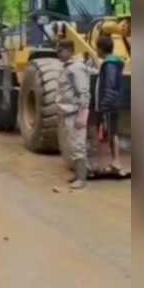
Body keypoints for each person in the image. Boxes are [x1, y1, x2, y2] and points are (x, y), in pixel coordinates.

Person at [56, 40, 91, 189]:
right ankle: (77, 174)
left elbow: (84, 93)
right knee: (71, 145)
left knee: (78, 145)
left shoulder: (76, 68)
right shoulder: (67, 68)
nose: (58, 53)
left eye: (60, 50)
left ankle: (82, 179)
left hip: (75, 112)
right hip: (67, 112)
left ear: (69, 51)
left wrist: (82, 115)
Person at [95, 35, 125, 174]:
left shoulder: (109, 65)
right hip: (114, 103)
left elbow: (110, 85)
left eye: (97, 48)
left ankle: (115, 162)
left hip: (109, 104)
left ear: (101, 48)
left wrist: (105, 103)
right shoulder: (114, 63)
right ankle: (114, 162)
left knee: (110, 134)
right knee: (111, 133)